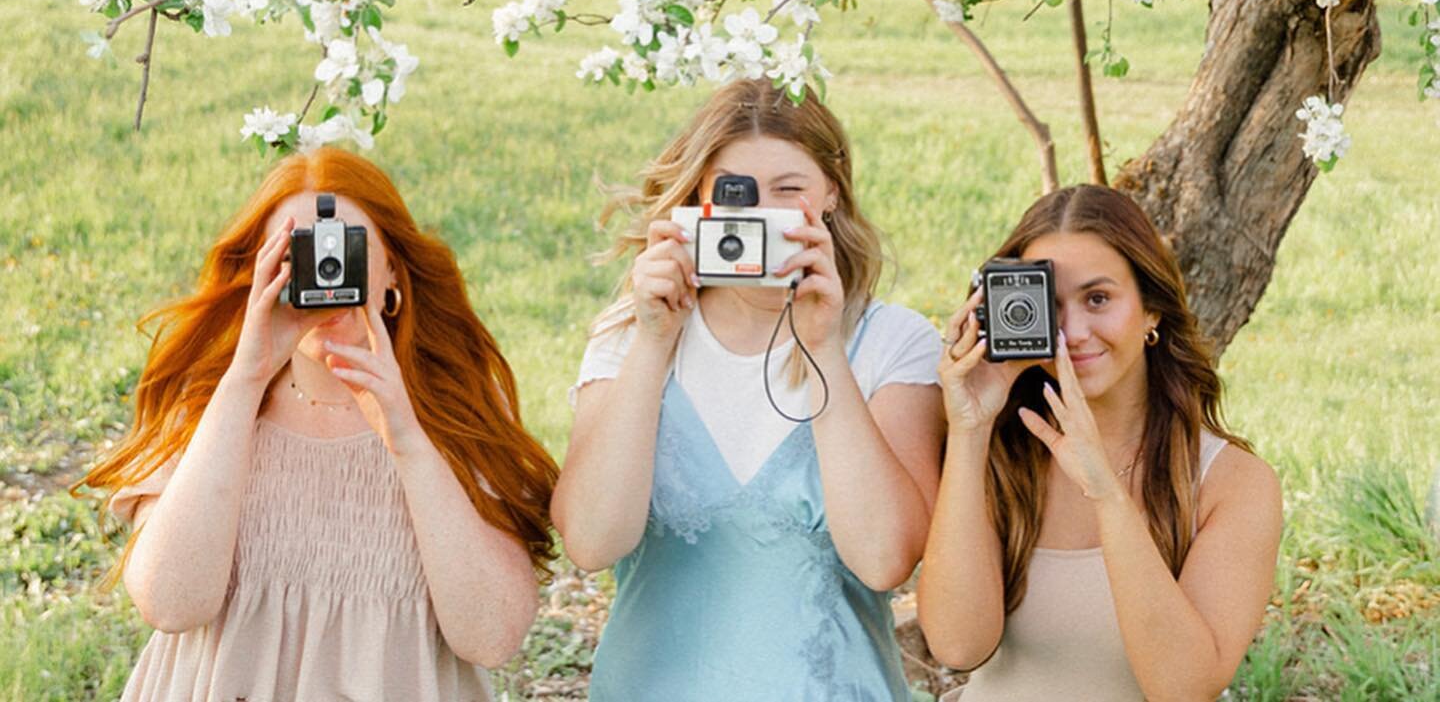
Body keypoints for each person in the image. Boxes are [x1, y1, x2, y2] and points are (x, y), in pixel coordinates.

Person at [86, 147, 558, 702]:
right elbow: (170, 602)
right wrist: (245, 380)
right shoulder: (208, 403)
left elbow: (492, 637)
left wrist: (408, 440)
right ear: (259, 274)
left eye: (346, 250)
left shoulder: (458, 409)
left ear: (391, 276)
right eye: (297, 253)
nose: (325, 272)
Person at [552, 78, 945, 700]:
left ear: (831, 195)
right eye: (737, 192)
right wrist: (654, 344)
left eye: (789, 190)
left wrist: (822, 349)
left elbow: (884, 560)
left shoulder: (892, 343)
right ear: (700, 202)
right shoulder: (630, 339)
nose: (761, 213)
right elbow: (593, 541)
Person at [917, 184, 1282, 700]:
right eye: (1049, 305)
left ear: (1151, 311)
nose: (1075, 331)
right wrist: (970, 431)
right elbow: (958, 645)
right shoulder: (999, 453)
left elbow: (1184, 687)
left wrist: (1106, 493)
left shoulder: (1233, 483)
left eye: (1098, 299)